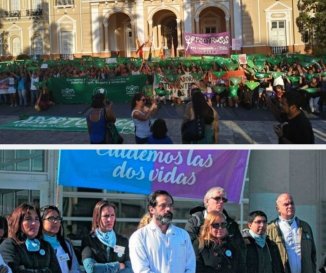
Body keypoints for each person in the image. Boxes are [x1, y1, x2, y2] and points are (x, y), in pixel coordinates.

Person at [129, 190, 195, 273]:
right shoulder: (139, 237)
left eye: (170, 205)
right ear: (151, 209)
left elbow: (190, 266)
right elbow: (141, 270)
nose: (168, 209)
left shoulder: (183, 235)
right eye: (163, 206)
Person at [0, 203, 61, 273]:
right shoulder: (9, 245)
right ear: (18, 222)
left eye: (36, 219)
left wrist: (24, 269)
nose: (34, 223)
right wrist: (46, 270)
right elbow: (12, 270)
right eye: (28, 219)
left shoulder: (46, 246)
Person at [267, 193, 316, 273]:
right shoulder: (270, 229)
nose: (290, 206)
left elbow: (313, 255)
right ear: (278, 208)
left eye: (292, 203)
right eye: (286, 204)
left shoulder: (305, 227)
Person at [81, 200, 132, 273]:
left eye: (112, 215)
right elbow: (91, 269)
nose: (110, 219)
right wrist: (117, 266)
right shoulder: (88, 240)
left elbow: (129, 269)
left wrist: (103, 268)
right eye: (106, 216)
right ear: (97, 218)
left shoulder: (123, 241)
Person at [40, 205, 80, 273]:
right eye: (51, 218)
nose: (56, 221)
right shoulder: (35, 244)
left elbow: (74, 269)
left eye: (58, 218)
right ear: (41, 221)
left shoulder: (66, 244)